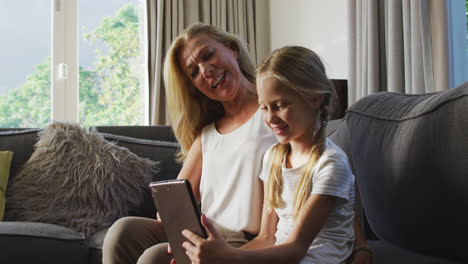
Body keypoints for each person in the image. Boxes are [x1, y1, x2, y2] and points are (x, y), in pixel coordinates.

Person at [102, 22, 371, 264]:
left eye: (208, 55)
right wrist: (179, 223)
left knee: (153, 258)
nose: (206, 71)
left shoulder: (283, 118)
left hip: (243, 239)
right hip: (209, 231)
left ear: (232, 50)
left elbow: (325, 178)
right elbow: (171, 209)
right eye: (194, 72)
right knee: (122, 231)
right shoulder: (208, 133)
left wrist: (360, 246)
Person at [182, 46, 361, 264]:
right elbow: (266, 237)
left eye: (279, 105)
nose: (270, 118)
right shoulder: (273, 158)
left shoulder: (331, 165)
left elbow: (296, 249)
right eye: (264, 108)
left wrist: (228, 257)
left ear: (315, 99)